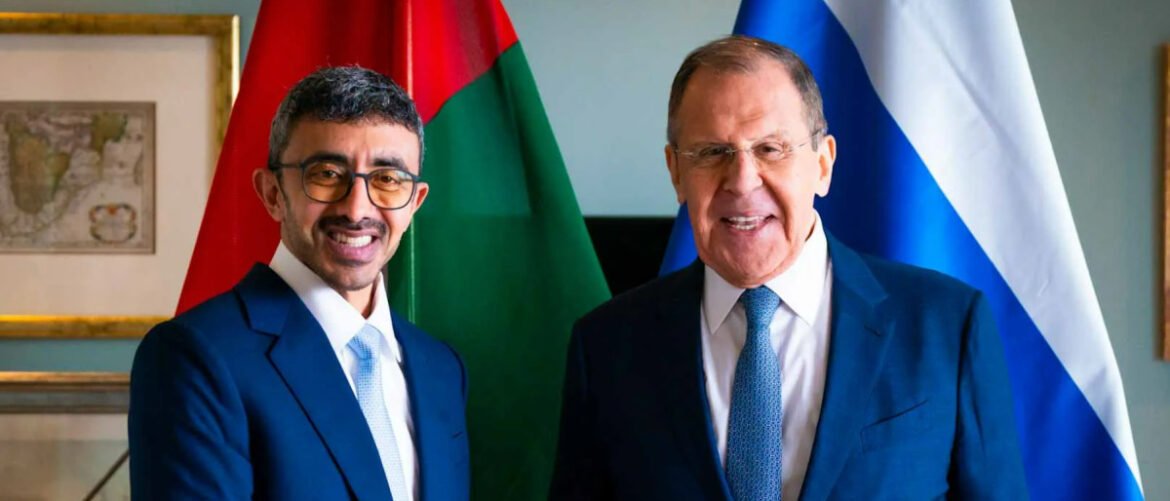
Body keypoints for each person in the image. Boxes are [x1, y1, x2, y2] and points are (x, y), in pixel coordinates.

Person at [549, 35, 1027, 500]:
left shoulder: (947, 326)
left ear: (823, 164)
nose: (741, 180)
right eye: (712, 152)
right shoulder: (607, 348)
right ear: (676, 172)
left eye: (770, 149)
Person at [129, 66, 468, 500]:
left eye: (387, 179)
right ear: (272, 193)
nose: (357, 208)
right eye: (327, 174)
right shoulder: (194, 357)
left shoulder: (440, 368)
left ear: (414, 202)